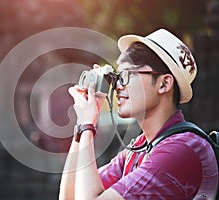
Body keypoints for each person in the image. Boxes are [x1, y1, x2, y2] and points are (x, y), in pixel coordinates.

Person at [59, 29, 218, 200]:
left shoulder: (182, 150)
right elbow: (69, 197)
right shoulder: (138, 149)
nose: (118, 85)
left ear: (164, 84)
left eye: (127, 74)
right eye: (117, 76)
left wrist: (88, 126)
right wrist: (82, 124)